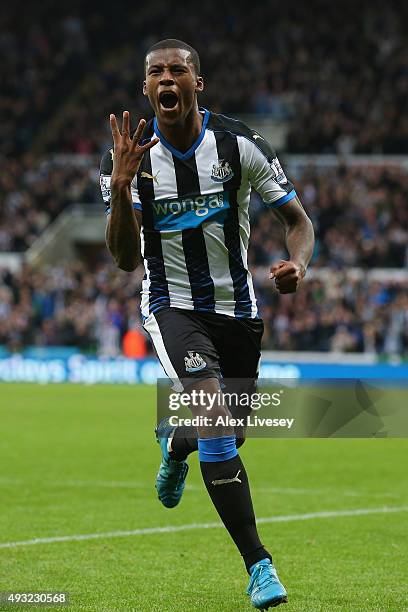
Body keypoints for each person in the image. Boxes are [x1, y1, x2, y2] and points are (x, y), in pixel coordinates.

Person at [100, 39, 314, 610]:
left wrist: (300, 263)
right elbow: (124, 258)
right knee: (216, 418)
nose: (166, 78)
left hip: (238, 312)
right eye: (155, 72)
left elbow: (297, 219)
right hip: (173, 306)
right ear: (146, 89)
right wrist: (121, 187)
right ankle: (259, 566)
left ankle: (177, 442)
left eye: (177, 70)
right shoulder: (127, 157)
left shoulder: (239, 144)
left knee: (229, 434)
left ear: (199, 84)